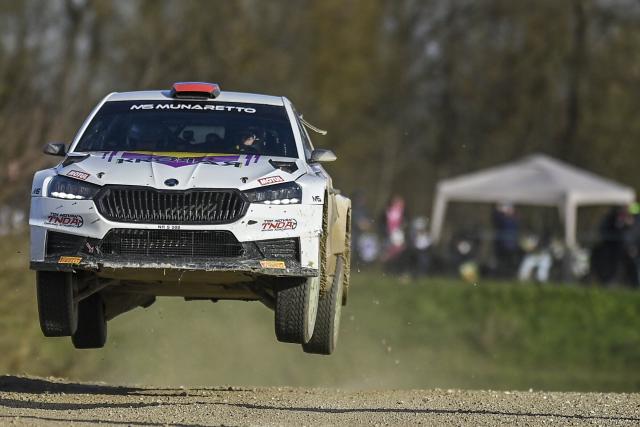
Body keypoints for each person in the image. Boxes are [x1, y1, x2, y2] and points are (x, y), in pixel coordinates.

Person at [492, 203, 520, 277]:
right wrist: (498, 210)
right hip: (502, 245)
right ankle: (501, 275)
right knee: (501, 262)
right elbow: (496, 217)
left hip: (511, 245)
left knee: (510, 262)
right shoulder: (501, 219)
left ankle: (509, 275)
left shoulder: (514, 219)